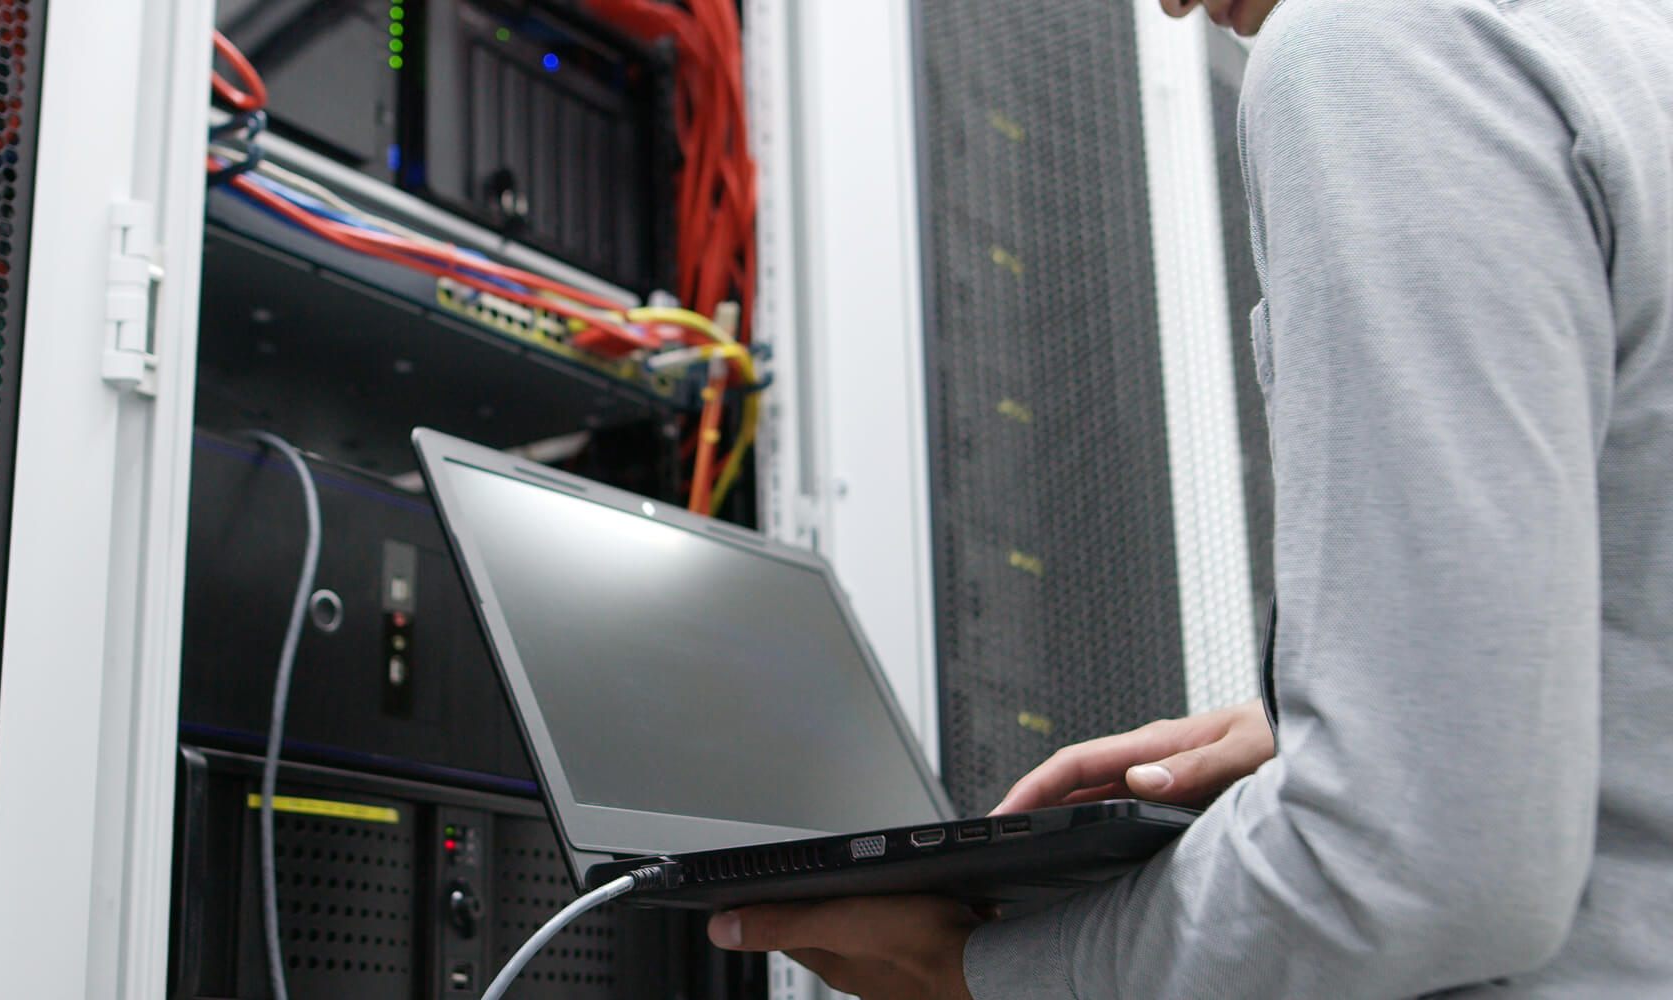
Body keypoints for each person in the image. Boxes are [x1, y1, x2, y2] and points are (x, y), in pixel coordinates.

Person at [705, 0, 1673, 995]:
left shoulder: (1378, 37)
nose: (1167, 7)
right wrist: (1364, 695)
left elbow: (1421, 858)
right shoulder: (1626, 48)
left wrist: (981, 971)